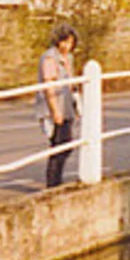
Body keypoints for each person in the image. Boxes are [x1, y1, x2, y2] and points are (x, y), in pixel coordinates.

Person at [36, 23, 79, 188]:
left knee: (66, 145)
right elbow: (49, 86)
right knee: (58, 145)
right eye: (65, 42)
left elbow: (70, 83)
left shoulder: (68, 58)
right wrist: (55, 112)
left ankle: (56, 181)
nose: (67, 46)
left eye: (70, 43)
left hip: (66, 106)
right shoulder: (49, 58)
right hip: (54, 108)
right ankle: (53, 183)